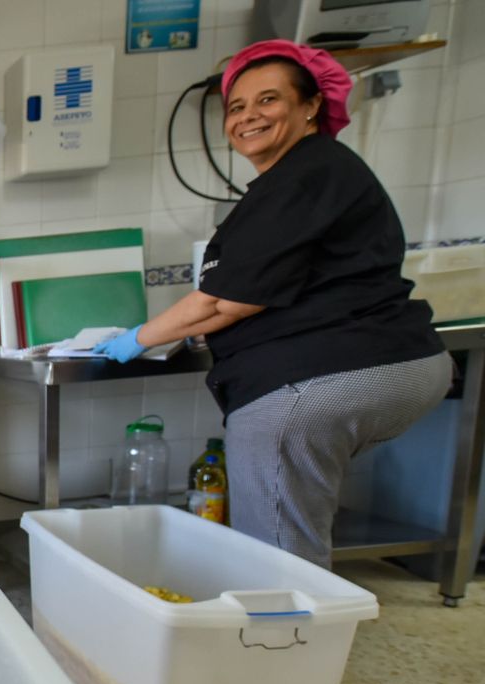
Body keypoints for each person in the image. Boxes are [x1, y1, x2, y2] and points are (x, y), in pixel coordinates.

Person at [93, 40, 450, 568]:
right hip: (376, 362)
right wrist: (187, 330)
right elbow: (244, 298)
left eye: (268, 100)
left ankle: (285, 640)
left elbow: (225, 301)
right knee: (293, 525)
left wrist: (137, 339)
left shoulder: (305, 174)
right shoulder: (308, 174)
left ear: (311, 106)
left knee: (279, 552)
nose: (248, 117)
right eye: (236, 107)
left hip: (316, 381)